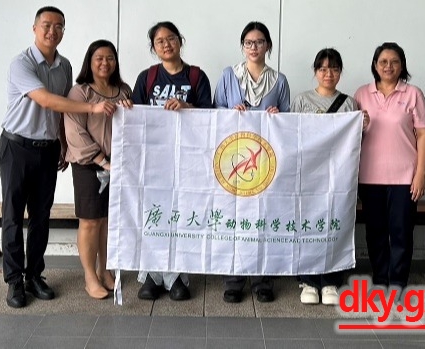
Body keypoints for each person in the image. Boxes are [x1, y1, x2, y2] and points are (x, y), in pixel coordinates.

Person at [0, 7, 116, 309]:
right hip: (17, 147)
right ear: (34, 28)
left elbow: (63, 112)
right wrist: (93, 108)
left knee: (41, 215)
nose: (53, 31)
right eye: (47, 25)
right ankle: (14, 280)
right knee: (13, 215)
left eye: (59, 26)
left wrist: (62, 144)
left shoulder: (64, 65)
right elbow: (47, 100)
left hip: (48, 149)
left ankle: (34, 275)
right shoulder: (21, 63)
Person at [132, 21, 212, 301]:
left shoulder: (196, 76)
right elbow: (136, 116)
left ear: (180, 41)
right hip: (154, 159)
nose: (166, 44)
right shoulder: (147, 77)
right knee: (153, 214)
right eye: (160, 41)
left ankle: (177, 276)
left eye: (171, 38)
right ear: (153, 47)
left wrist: (187, 107)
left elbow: (210, 117)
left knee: (180, 214)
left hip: (187, 158)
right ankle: (152, 276)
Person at [214, 21, 290, 304]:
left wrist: (277, 115)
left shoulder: (279, 81)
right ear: (242, 46)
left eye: (259, 42)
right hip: (233, 160)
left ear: (268, 45)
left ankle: (262, 280)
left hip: (265, 162)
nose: (254, 47)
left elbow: (288, 121)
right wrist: (230, 112)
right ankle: (233, 280)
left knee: (263, 219)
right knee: (234, 219)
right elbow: (215, 112)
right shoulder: (228, 76)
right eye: (249, 42)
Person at [354, 42, 425, 293]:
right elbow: (350, 135)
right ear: (375, 65)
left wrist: (420, 174)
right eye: (383, 62)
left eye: (394, 61)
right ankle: (380, 278)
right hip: (369, 176)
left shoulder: (413, 93)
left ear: (402, 65)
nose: (388, 66)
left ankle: (398, 281)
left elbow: (423, 135)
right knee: (375, 232)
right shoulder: (361, 94)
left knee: (401, 232)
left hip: (405, 177)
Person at [64, 40, 132, 299]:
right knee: (90, 221)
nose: (105, 63)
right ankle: (89, 276)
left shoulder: (124, 90)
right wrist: (102, 160)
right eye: (99, 58)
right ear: (89, 62)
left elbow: (133, 126)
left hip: (118, 163)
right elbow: (75, 132)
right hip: (88, 165)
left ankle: (105, 270)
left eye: (110, 58)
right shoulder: (80, 92)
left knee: (108, 220)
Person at [291, 48, 359, 305]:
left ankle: (331, 280)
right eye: (323, 68)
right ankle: (308, 280)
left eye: (334, 68)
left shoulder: (349, 103)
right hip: (307, 175)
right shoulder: (301, 100)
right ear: (315, 71)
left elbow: (354, 142)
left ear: (340, 72)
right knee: (307, 223)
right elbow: (290, 135)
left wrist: (361, 125)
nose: (328, 73)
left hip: (337, 177)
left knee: (334, 223)